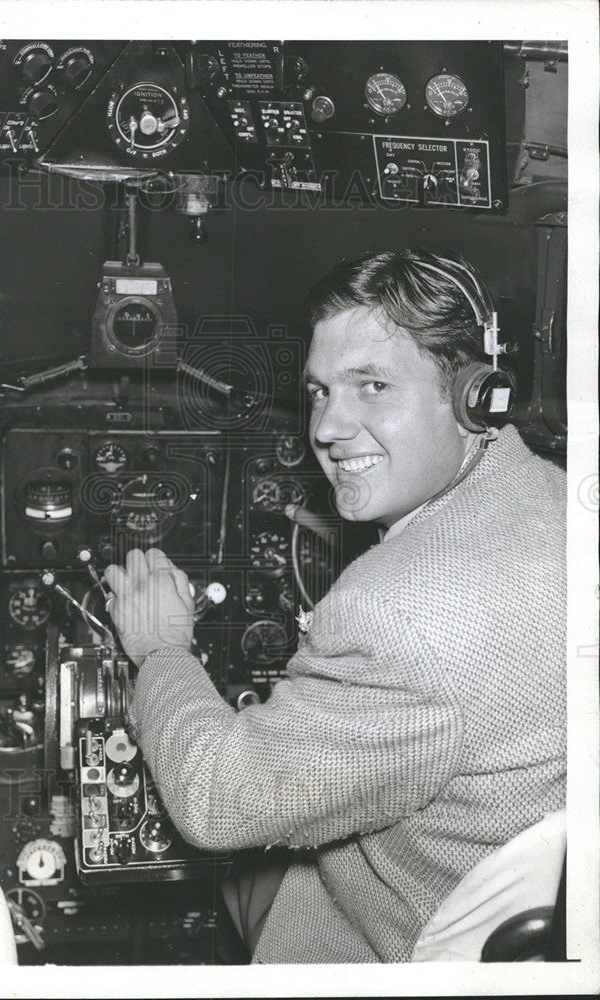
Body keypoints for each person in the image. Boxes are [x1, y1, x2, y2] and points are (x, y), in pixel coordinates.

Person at [103, 249, 566, 963]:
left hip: (395, 937)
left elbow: (215, 799)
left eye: (372, 385)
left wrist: (161, 647)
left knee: (235, 873)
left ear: (475, 394)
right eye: (319, 392)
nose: (325, 428)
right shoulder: (559, 500)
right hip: (523, 900)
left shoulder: (400, 610)